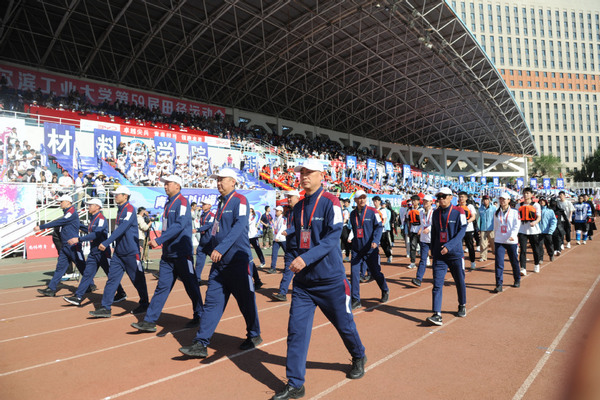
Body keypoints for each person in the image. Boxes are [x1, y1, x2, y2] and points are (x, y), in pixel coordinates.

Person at [272, 159, 366, 400]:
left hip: (330, 281)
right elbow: (293, 240)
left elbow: (332, 237)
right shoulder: (297, 207)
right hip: (304, 284)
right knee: (296, 331)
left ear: (321, 175)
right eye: (301, 172)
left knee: (344, 324)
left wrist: (306, 258)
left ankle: (358, 355)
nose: (303, 176)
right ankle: (295, 384)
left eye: (308, 172)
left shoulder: (331, 203)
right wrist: (294, 260)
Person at [179, 168, 261, 358]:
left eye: (222, 180)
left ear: (233, 181)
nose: (218, 183)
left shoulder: (240, 200)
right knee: (212, 303)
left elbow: (240, 225)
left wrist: (221, 248)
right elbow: (216, 230)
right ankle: (201, 343)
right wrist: (207, 248)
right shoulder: (221, 203)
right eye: (217, 180)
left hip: (238, 261)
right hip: (219, 265)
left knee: (245, 302)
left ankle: (254, 334)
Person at [131, 175, 203, 332]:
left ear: (177, 185)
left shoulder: (182, 202)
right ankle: (150, 321)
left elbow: (179, 225)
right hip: (168, 255)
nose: (165, 186)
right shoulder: (168, 203)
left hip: (182, 254)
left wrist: (160, 239)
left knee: (191, 286)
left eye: (168, 183)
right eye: (164, 184)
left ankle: (200, 314)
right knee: (162, 287)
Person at [88, 186, 149, 317]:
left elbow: (122, 228)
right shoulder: (119, 210)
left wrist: (106, 242)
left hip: (131, 253)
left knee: (137, 279)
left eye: (117, 194)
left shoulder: (129, 209)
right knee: (112, 279)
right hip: (119, 253)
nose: (115, 196)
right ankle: (105, 307)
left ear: (125, 196)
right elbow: (119, 230)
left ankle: (144, 303)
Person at [63, 198, 127, 306]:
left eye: (90, 205)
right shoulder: (93, 219)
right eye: (88, 205)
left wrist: (78, 239)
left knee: (111, 274)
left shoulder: (101, 219)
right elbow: (90, 231)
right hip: (93, 253)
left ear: (97, 207)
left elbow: (96, 234)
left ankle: (121, 293)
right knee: (87, 274)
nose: (88, 207)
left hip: (103, 253)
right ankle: (78, 297)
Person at [426, 187, 467, 326]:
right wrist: (432, 249)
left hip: (455, 254)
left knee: (459, 281)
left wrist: (449, 246)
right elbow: (434, 232)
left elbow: (462, 231)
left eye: (444, 196)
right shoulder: (435, 213)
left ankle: (462, 304)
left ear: (451, 197)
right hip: (439, 255)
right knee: (437, 284)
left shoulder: (459, 211)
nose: (441, 199)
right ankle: (436, 314)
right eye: (439, 197)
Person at [34, 194, 87, 297]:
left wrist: (41, 226)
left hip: (73, 245)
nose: (60, 203)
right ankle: (51, 289)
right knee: (60, 268)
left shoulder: (71, 212)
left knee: (81, 265)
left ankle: (90, 284)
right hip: (65, 245)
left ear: (68, 202)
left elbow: (60, 221)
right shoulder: (68, 213)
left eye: (62, 201)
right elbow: (78, 225)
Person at [347, 189, 389, 309]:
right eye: (359, 198)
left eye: (364, 197)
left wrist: (375, 241)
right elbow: (354, 229)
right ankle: (356, 299)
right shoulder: (352, 214)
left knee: (375, 273)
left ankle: (385, 289)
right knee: (354, 274)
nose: (362, 200)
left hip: (370, 249)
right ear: (355, 200)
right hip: (357, 249)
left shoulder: (373, 212)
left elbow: (379, 227)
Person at [272, 190, 301, 302]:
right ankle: (282, 292)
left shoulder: (301, 211)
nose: (289, 199)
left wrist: (289, 231)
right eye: (288, 197)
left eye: (291, 197)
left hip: (300, 246)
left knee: (305, 271)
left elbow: (299, 225)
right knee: (288, 269)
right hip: (290, 245)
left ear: (297, 198)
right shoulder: (288, 212)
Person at [492, 193, 521, 293]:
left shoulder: (514, 212)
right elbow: (495, 227)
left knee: (514, 261)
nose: (502, 201)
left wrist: (513, 235)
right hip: (499, 240)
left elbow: (516, 225)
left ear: (509, 200)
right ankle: (499, 284)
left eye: (504, 199)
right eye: (500, 199)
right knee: (499, 263)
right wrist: (495, 238)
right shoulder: (496, 213)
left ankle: (517, 279)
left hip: (511, 240)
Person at [517, 187, 542, 275]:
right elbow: (516, 218)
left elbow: (539, 217)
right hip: (522, 230)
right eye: (524, 193)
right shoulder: (519, 205)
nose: (526, 195)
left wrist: (535, 222)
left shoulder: (536, 205)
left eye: (528, 193)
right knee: (523, 249)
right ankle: (523, 268)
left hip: (533, 230)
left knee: (535, 249)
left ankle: (536, 264)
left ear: (531, 195)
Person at [412, 194, 435, 287]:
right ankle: (418, 278)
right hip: (424, 239)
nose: (425, 202)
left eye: (427, 201)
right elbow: (422, 224)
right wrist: (420, 229)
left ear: (431, 202)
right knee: (423, 259)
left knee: (436, 259)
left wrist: (428, 229)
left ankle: (437, 277)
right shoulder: (421, 212)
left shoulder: (434, 212)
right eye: (424, 201)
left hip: (433, 238)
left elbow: (434, 224)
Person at [195, 199, 216, 282]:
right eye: (202, 204)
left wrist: (197, 230)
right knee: (199, 262)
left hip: (210, 242)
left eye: (204, 204)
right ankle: (197, 279)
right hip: (202, 242)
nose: (202, 205)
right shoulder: (202, 215)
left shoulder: (212, 215)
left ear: (210, 206)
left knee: (217, 261)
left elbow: (208, 225)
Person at [458, 191, 477, 270]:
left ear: (466, 198)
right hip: (459, 229)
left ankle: (472, 262)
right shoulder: (456, 207)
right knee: (459, 247)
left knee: (470, 246)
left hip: (468, 229)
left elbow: (473, 217)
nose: (461, 198)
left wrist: (466, 222)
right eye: (460, 197)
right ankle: (461, 263)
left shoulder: (470, 206)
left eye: (462, 197)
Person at [267, 206, 287, 274]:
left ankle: (287, 267)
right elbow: (275, 228)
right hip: (276, 239)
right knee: (274, 254)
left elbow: (282, 228)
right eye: (275, 210)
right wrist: (274, 237)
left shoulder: (284, 219)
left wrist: (277, 236)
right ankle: (273, 268)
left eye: (277, 211)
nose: (276, 212)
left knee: (287, 254)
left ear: (281, 211)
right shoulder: (275, 218)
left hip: (283, 239)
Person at [373, 195, 392, 263]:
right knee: (374, 244)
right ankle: (375, 258)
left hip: (382, 230)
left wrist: (381, 225)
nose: (375, 203)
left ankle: (389, 255)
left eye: (376, 201)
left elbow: (385, 219)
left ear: (379, 202)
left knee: (384, 245)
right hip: (374, 230)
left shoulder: (382, 210)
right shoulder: (373, 210)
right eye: (374, 201)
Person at [478, 195, 496, 262]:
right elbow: (479, 219)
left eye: (487, 199)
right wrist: (479, 228)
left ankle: (496, 254)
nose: (486, 201)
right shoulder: (480, 209)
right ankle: (483, 256)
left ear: (490, 200)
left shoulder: (494, 208)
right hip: (483, 228)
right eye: (484, 199)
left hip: (492, 228)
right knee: (483, 243)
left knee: (493, 243)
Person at [538, 198, 557, 262]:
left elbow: (553, 221)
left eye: (543, 201)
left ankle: (551, 255)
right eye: (540, 201)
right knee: (539, 245)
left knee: (549, 245)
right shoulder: (537, 210)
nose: (542, 202)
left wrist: (551, 229)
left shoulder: (550, 211)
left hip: (547, 231)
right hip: (539, 231)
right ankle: (540, 258)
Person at [406, 195, 422, 269]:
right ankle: (412, 262)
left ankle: (425, 259)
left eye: (415, 200)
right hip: (413, 230)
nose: (413, 202)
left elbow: (423, 221)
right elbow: (408, 221)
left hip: (420, 230)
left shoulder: (421, 210)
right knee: (413, 246)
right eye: (412, 200)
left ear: (418, 201)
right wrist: (409, 230)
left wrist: (421, 229)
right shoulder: (409, 210)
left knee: (423, 246)